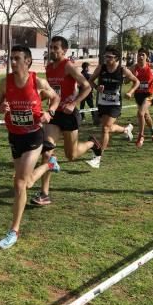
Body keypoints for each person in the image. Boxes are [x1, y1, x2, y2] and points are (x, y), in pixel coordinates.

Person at [0, 45, 61, 249]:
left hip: (33, 136)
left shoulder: (37, 81)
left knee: (20, 184)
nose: (12, 62)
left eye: (16, 59)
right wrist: (1, 107)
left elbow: (55, 97)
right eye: (10, 59)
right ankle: (49, 165)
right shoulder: (6, 83)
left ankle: (13, 231)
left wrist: (51, 112)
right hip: (15, 136)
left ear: (28, 61)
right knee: (28, 182)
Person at [32, 36, 94, 206]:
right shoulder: (49, 67)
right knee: (46, 152)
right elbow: (51, 91)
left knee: (71, 155)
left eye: (55, 48)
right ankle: (44, 193)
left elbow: (87, 86)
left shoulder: (68, 66)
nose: (52, 50)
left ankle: (91, 143)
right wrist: (38, 96)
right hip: (54, 114)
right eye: (50, 47)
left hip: (69, 115)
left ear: (64, 50)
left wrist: (74, 103)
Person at [86, 46, 138, 166]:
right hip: (102, 102)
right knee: (108, 128)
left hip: (115, 104)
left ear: (117, 58)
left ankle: (98, 157)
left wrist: (130, 92)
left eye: (109, 57)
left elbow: (137, 81)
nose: (106, 59)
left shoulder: (122, 70)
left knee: (105, 128)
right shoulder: (101, 68)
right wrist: (97, 87)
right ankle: (126, 129)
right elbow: (90, 80)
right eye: (105, 56)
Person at [131, 48, 153, 147]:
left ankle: (141, 136)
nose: (140, 56)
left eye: (143, 55)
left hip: (149, 95)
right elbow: (126, 79)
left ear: (147, 57)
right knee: (145, 116)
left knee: (140, 113)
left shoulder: (151, 66)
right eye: (139, 55)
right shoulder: (134, 67)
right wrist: (131, 78)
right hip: (138, 94)